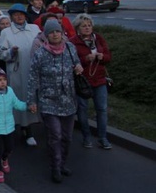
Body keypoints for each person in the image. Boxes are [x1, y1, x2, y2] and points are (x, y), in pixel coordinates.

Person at [27, 20, 83, 183]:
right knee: (55, 135)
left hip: (69, 101)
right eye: (51, 32)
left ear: (62, 33)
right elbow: (33, 78)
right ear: (46, 35)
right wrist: (32, 100)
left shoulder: (70, 49)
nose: (55, 34)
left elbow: (77, 63)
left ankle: (63, 163)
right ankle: (55, 167)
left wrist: (78, 66)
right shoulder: (40, 53)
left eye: (57, 31)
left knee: (67, 137)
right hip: (48, 101)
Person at [0, 3, 40, 146]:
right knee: (22, 99)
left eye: (21, 14)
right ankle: (26, 130)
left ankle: (41, 126)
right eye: (15, 15)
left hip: (35, 71)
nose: (19, 17)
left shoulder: (35, 29)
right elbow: (0, 53)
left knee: (37, 97)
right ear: (12, 17)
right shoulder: (6, 33)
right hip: (18, 71)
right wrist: (11, 52)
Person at [70, 14, 112, 150]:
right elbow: (70, 61)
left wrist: (102, 56)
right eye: (84, 26)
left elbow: (108, 57)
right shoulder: (72, 42)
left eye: (89, 25)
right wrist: (85, 59)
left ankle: (102, 137)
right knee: (82, 110)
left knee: (102, 109)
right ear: (77, 28)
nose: (87, 28)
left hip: (99, 80)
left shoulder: (98, 38)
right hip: (83, 82)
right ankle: (86, 137)